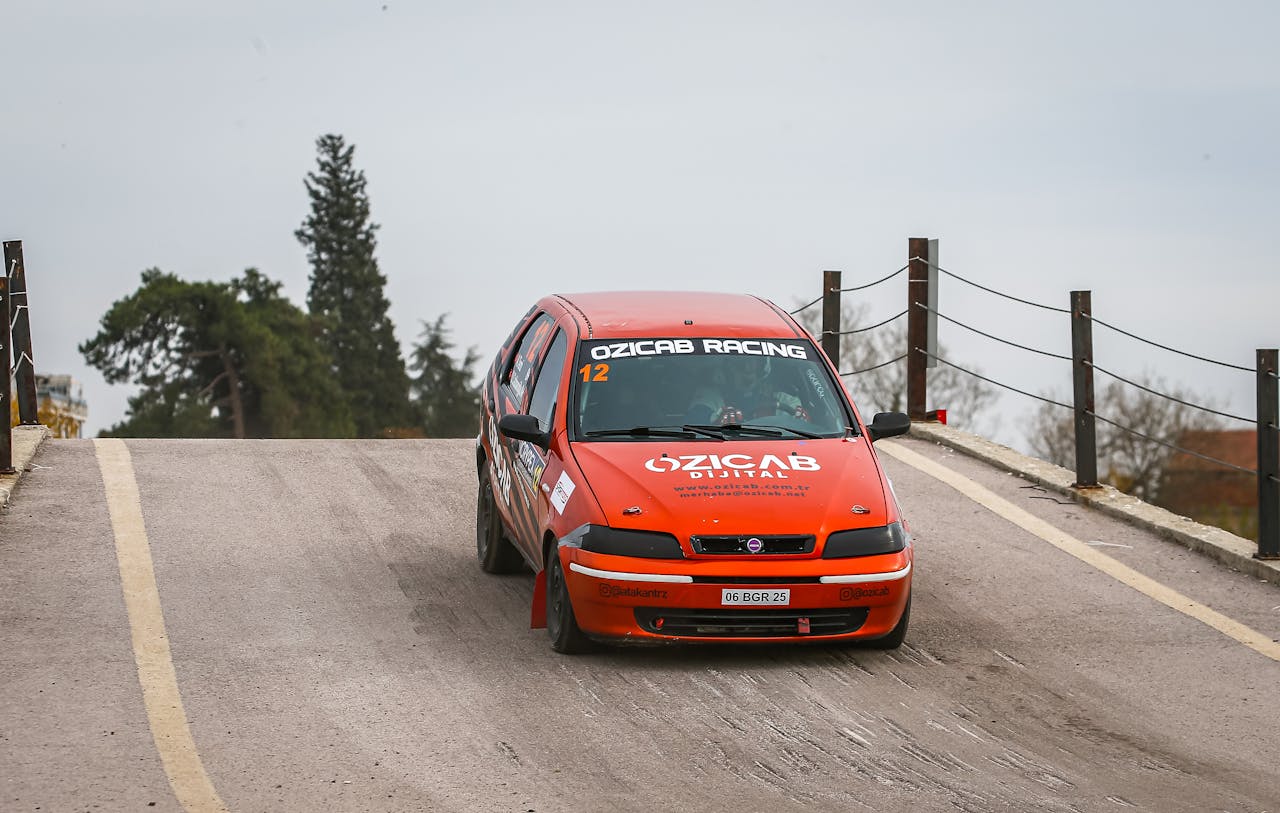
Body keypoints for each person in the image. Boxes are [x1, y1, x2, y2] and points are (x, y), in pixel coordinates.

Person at [685, 355, 809, 425]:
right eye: (740, 364)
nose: (748, 368)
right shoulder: (711, 397)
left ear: (762, 368)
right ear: (727, 369)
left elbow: (802, 428)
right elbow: (693, 425)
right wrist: (716, 423)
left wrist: (801, 422)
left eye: (754, 363)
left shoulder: (783, 399)